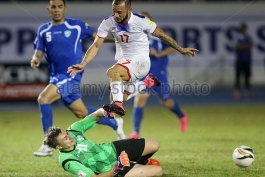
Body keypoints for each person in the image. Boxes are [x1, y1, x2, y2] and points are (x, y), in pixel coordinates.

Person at [67, 0, 198, 117]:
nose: (116, 15)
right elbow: (96, 45)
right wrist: (83, 63)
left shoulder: (141, 21)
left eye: (120, 12)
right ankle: (146, 83)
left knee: (113, 72)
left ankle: (118, 105)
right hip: (125, 62)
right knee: (117, 96)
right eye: (114, 11)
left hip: (141, 62)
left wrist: (180, 49)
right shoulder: (108, 22)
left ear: (129, 9)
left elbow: (162, 35)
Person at [31, 0, 125, 157]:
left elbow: (98, 37)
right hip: (56, 76)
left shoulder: (77, 26)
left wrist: (118, 39)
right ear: (49, 10)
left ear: (64, 9)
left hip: (71, 74)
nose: (57, 10)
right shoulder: (43, 30)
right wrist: (36, 59)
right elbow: (38, 51)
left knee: (43, 99)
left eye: (60, 7)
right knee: (81, 113)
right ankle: (114, 121)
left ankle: (47, 145)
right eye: (53, 7)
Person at [44, 108, 163, 177]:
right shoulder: (68, 161)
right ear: (59, 146)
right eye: (65, 138)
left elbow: (96, 115)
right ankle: (133, 165)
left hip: (112, 149)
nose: (69, 136)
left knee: (154, 145)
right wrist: (117, 168)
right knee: (158, 171)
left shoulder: (74, 129)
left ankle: (140, 162)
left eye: (67, 134)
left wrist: (104, 111)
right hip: (109, 168)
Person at [128, 11, 188, 139]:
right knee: (140, 99)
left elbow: (173, 47)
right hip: (145, 75)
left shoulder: (158, 35)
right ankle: (135, 132)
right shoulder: (135, 37)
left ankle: (181, 116)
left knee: (165, 102)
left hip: (159, 74)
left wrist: (159, 54)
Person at [233, 22, 254, 99]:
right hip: (239, 60)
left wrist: (241, 46)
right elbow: (236, 46)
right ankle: (237, 91)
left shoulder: (249, 37)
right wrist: (246, 46)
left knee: (247, 77)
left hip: (247, 60)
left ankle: (248, 91)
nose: (243, 30)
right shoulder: (238, 37)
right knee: (238, 77)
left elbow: (251, 45)